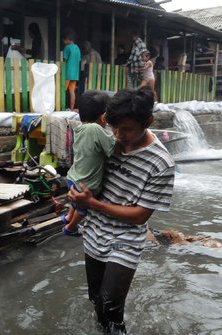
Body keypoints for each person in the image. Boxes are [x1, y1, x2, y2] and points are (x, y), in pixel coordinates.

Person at [69, 86, 175, 334]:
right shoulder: (107, 140)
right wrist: (74, 193)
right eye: (114, 127)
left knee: (111, 307)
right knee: (96, 300)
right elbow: (85, 169)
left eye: (127, 129)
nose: (119, 135)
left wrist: (91, 204)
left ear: (148, 122)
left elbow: (140, 216)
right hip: (94, 233)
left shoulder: (161, 163)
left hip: (125, 239)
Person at [61, 90, 115, 236]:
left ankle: (67, 217)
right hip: (86, 185)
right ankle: (71, 227)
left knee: (76, 203)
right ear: (104, 117)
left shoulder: (81, 128)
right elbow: (111, 149)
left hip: (73, 178)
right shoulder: (96, 129)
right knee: (83, 208)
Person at [62, 30, 81, 111]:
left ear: (67, 39)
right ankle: (72, 108)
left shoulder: (67, 47)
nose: (63, 42)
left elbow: (64, 60)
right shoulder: (77, 48)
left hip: (67, 73)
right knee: (72, 91)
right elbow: (79, 60)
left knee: (63, 90)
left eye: (63, 40)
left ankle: (62, 107)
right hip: (75, 73)